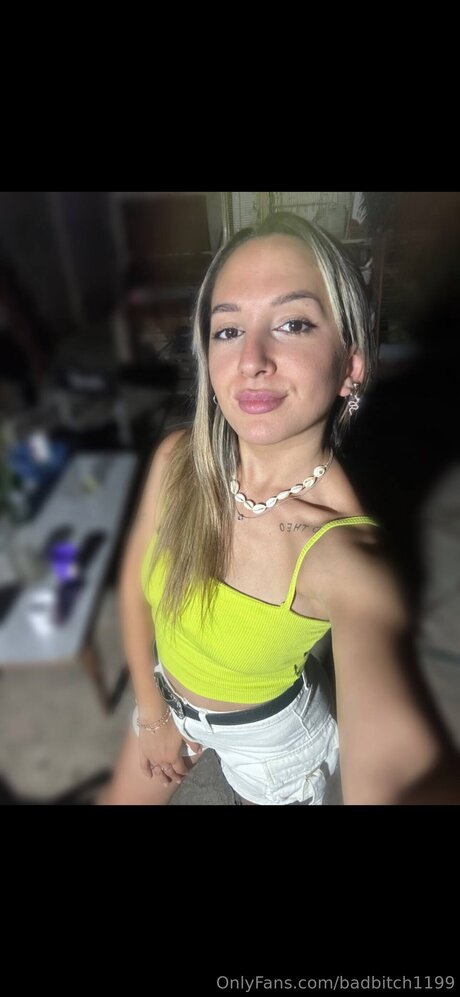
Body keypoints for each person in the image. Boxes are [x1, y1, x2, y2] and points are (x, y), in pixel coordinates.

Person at [100, 211, 455, 806]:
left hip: (271, 750)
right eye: (228, 330)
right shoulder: (177, 461)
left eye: (293, 324)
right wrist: (151, 710)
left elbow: (396, 770)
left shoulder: (341, 552)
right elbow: (136, 589)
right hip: (163, 699)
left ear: (351, 366)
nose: (252, 359)